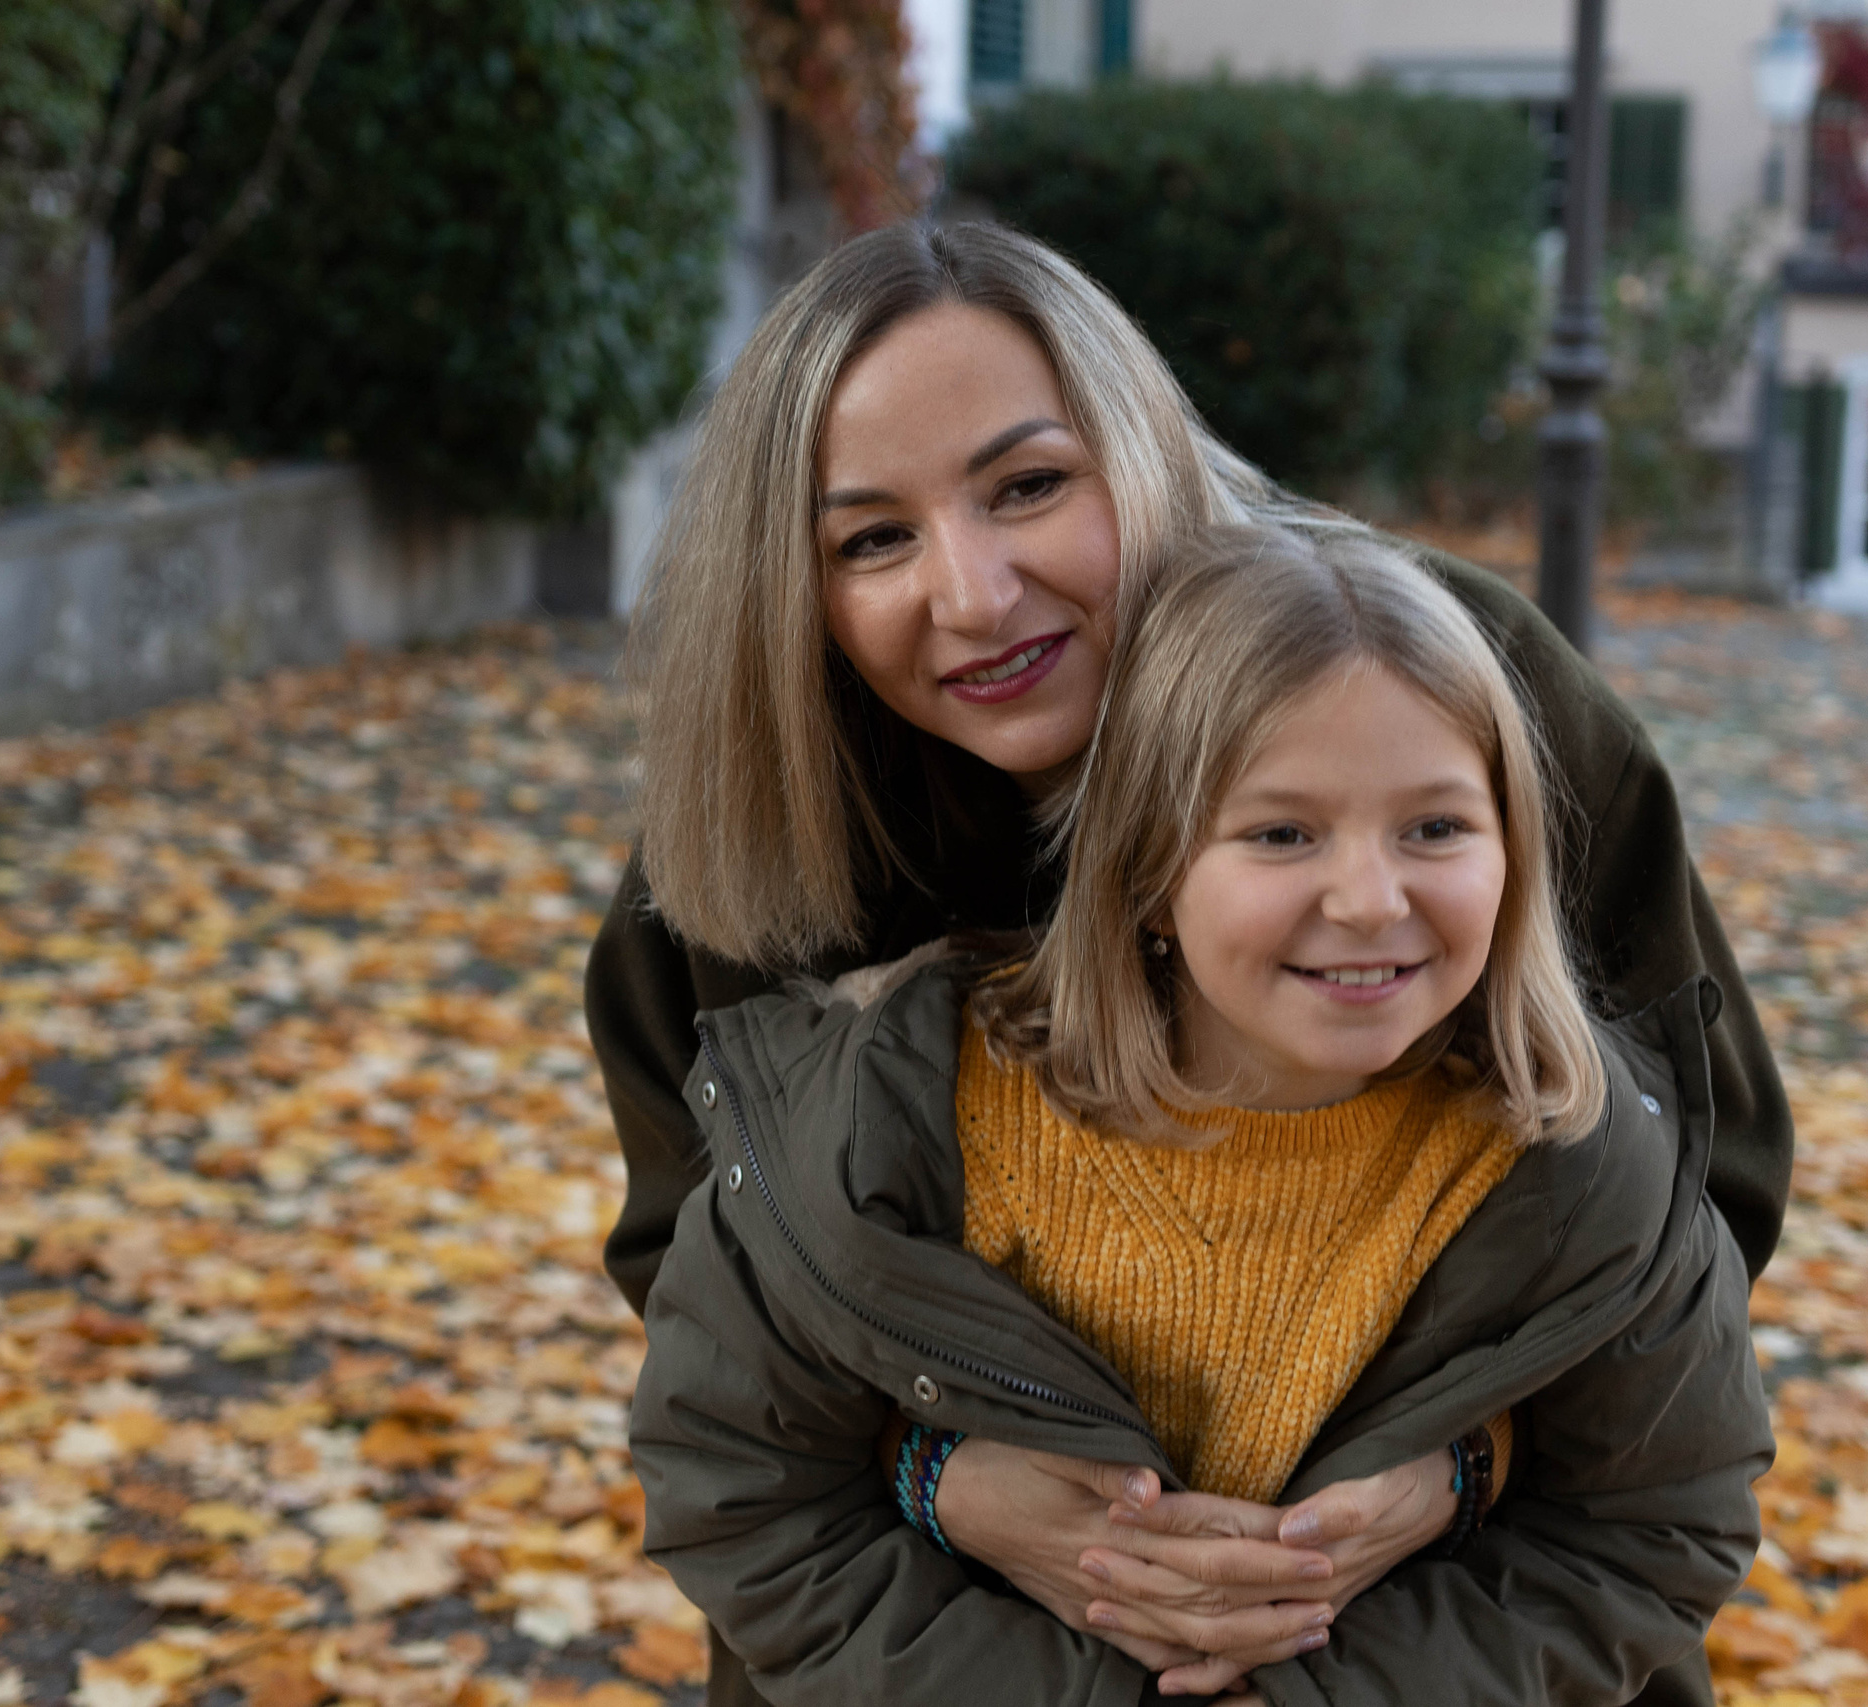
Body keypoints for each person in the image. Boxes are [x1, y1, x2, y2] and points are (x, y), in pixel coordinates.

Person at [586, 220, 1792, 1699]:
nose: (970, 594)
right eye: (872, 539)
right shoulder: (758, 820)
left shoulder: (1435, 681)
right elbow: (709, 1285)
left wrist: (1474, 1459)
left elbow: (1697, 1183)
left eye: (1030, 485)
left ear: (1139, 449)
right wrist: (936, 1472)